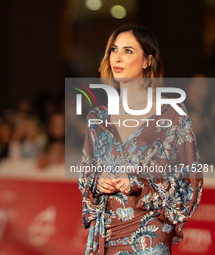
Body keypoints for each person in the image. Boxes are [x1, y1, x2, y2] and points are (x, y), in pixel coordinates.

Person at [79, 24, 203, 255]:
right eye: (114, 50)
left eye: (128, 51)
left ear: (147, 61)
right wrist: (97, 182)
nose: (117, 57)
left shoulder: (171, 114)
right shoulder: (97, 117)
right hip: (108, 231)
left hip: (149, 231)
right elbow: (86, 175)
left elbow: (191, 181)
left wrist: (140, 183)